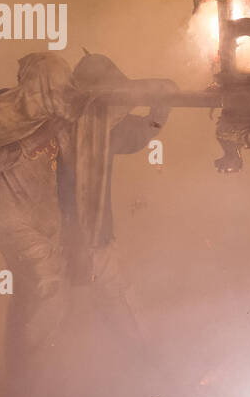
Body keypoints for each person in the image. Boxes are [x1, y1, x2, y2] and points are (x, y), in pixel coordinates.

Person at [0, 53, 81, 381]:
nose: (62, 92)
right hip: (12, 221)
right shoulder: (0, 113)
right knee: (49, 284)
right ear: (41, 84)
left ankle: (21, 373)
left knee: (28, 298)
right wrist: (37, 138)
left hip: (47, 220)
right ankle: (39, 375)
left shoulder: (55, 114)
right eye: (56, 85)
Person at [62, 53, 175, 364]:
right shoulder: (103, 126)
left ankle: (74, 370)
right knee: (113, 294)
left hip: (53, 232)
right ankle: (141, 360)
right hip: (89, 232)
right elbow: (146, 128)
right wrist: (163, 104)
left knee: (73, 300)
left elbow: (139, 130)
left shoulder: (52, 117)